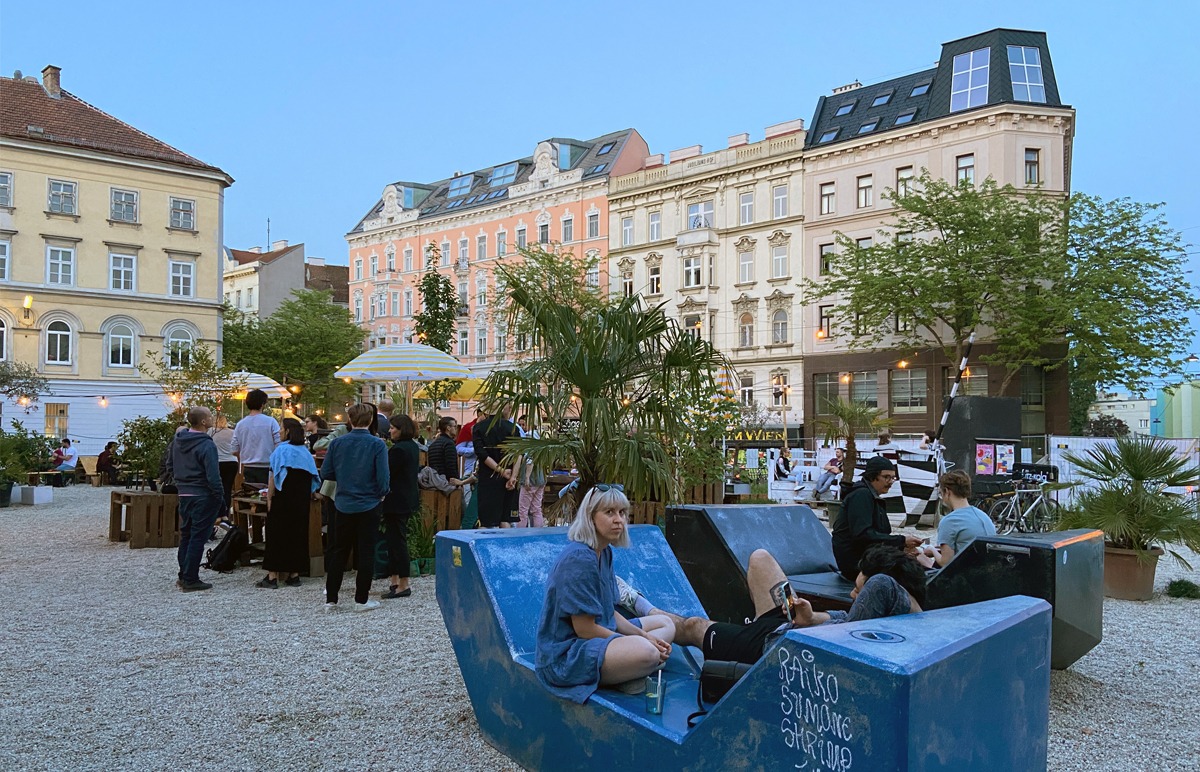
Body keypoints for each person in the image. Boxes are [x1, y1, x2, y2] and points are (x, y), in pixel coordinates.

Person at [535, 485, 676, 703]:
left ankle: (628, 668)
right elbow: (584, 628)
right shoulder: (579, 559)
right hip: (567, 655)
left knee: (665, 624)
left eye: (622, 512)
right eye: (609, 512)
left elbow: (609, 612)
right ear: (590, 517)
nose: (619, 520)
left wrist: (644, 636)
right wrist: (634, 642)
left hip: (600, 637)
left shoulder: (604, 552)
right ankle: (629, 668)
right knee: (647, 652)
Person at [672, 545, 924, 665]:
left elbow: (848, 636)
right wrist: (812, 618)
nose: (851, 594)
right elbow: (846, 619)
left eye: (859, 591)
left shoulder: (884, 588)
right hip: (790, 626)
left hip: (769, 647)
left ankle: (641, 610)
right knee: (760, 558)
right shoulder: (889, 612)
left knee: (694, 626)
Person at [319, 403, 389, 612]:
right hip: (369, 502)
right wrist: (381, 492)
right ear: (370, 420)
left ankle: (331, 598)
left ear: (349, 419)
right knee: (365, 551)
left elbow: (326, 473)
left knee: (339, 550)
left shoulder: (338, 443)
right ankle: (361, 599)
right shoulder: (377, 445)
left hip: (343, 502)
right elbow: (383, 478)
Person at [831, 456, 923, 580]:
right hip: (856, 563)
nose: (890, 482)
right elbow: (863, 535)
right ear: (873, 476)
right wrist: (901, 541)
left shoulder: (872, 496)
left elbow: (877, 535)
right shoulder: (861, 495)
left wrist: (902, 547)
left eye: (893, 478)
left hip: (866, 557)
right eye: (886, 477)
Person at [257, 418, 320, 589]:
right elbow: (313, 478)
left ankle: (272, 576)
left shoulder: (280, 451)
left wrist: (269, 498)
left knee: (276, 535)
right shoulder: (305, 453)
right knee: (297, 535)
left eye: (281, 428)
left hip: (282, 499)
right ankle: (294, 574)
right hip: (300, 500)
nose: (278, 431)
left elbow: (274, 476)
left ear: (288, 432)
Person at [168, 407, 223, 592]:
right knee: (198, 537)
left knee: (187, 535)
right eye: (210, 416)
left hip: (184, 493)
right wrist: (219, 496)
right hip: (202, 493)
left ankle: (184, 574)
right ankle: (191, 578)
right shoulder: (206, 444)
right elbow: (213, 475)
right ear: (204, 422)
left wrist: (180, 482)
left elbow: (169, 464)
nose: (212, 418)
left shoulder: (178, 441)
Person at [921, 470, 996, 568]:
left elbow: (945, 562)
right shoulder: (983, 516)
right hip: (985, 569)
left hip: (964, 574)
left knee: (919, 558)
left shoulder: (949, 521)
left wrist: (932, 550)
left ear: (947, 492)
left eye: (941, 493)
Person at [381, 414, 421, 599]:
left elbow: (387, 473)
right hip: (407, 498)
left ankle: (402, 583)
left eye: (392, 428)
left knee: (397, 541)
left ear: (401, 429)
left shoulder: (398, 450)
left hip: (395, 499)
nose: (390, 431)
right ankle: (395, 579)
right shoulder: (412, 446)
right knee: (396, 539)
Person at [472, 409, 521, 529]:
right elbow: (518, 454)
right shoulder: (513, 428)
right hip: (509, 479)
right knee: (505, 520)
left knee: (486, 522)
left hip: (488, 478)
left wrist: (501, 471)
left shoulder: (479, 428)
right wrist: (513, 477)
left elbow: (482, 454)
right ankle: (507, 547)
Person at [231, 389, 279, 485]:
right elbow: (279, 444)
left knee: (250, 495)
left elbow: (234, 449)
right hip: (268, 466)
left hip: (248, 466)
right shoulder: (271, 422)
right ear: (262, 404)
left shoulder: (240, 424)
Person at [517, 414, 546, 528]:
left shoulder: (529, 436)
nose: (523, 426)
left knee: (522, 510)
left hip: (532, 477)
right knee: (536, 509)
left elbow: (530, 458)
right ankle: (538, 533)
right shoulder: (539, 436)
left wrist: (527, 477)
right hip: (541, 477)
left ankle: (519, 536)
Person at [427, 417, 470, 488]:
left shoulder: (433, 444)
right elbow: (451, 466)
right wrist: (457, 483)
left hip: (435, 482)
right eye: (455, 427)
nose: (456, 429)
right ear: (448, 428)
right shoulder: (449, 443)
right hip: (447, 484)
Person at [209, 414, 237, 520]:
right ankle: (225, 514)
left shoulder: (211, 431)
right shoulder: (232, 432)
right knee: (227, 488)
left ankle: (217, 513)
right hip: (231, 462)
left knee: (216, 489)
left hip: (217, 461)